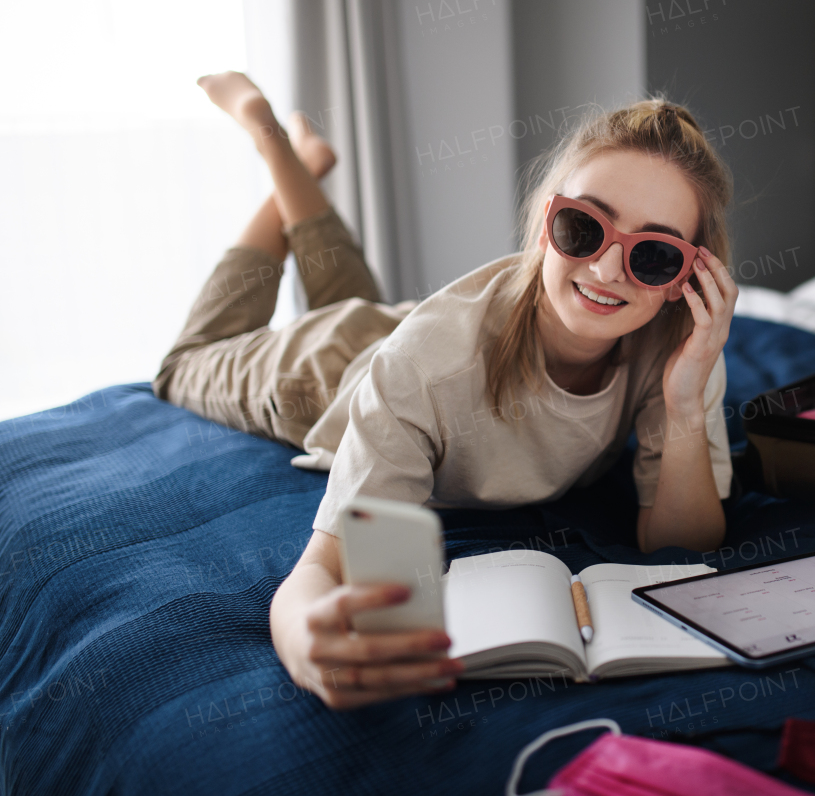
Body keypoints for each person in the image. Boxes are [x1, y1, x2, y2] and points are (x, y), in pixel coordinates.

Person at [154, 73, 739, 709]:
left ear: (689, 278)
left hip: (405, 332)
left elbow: (682, 545)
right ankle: (274, 144)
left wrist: (684, 399)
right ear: (547, 223)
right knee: (184, 364)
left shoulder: (681, 348)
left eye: (653, 256)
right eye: (584, 227)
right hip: (324, 373)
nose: (605, 270)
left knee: (365, 303)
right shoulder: (426, 365)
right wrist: (302, 643)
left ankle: (305, 167)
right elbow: (319, 569)